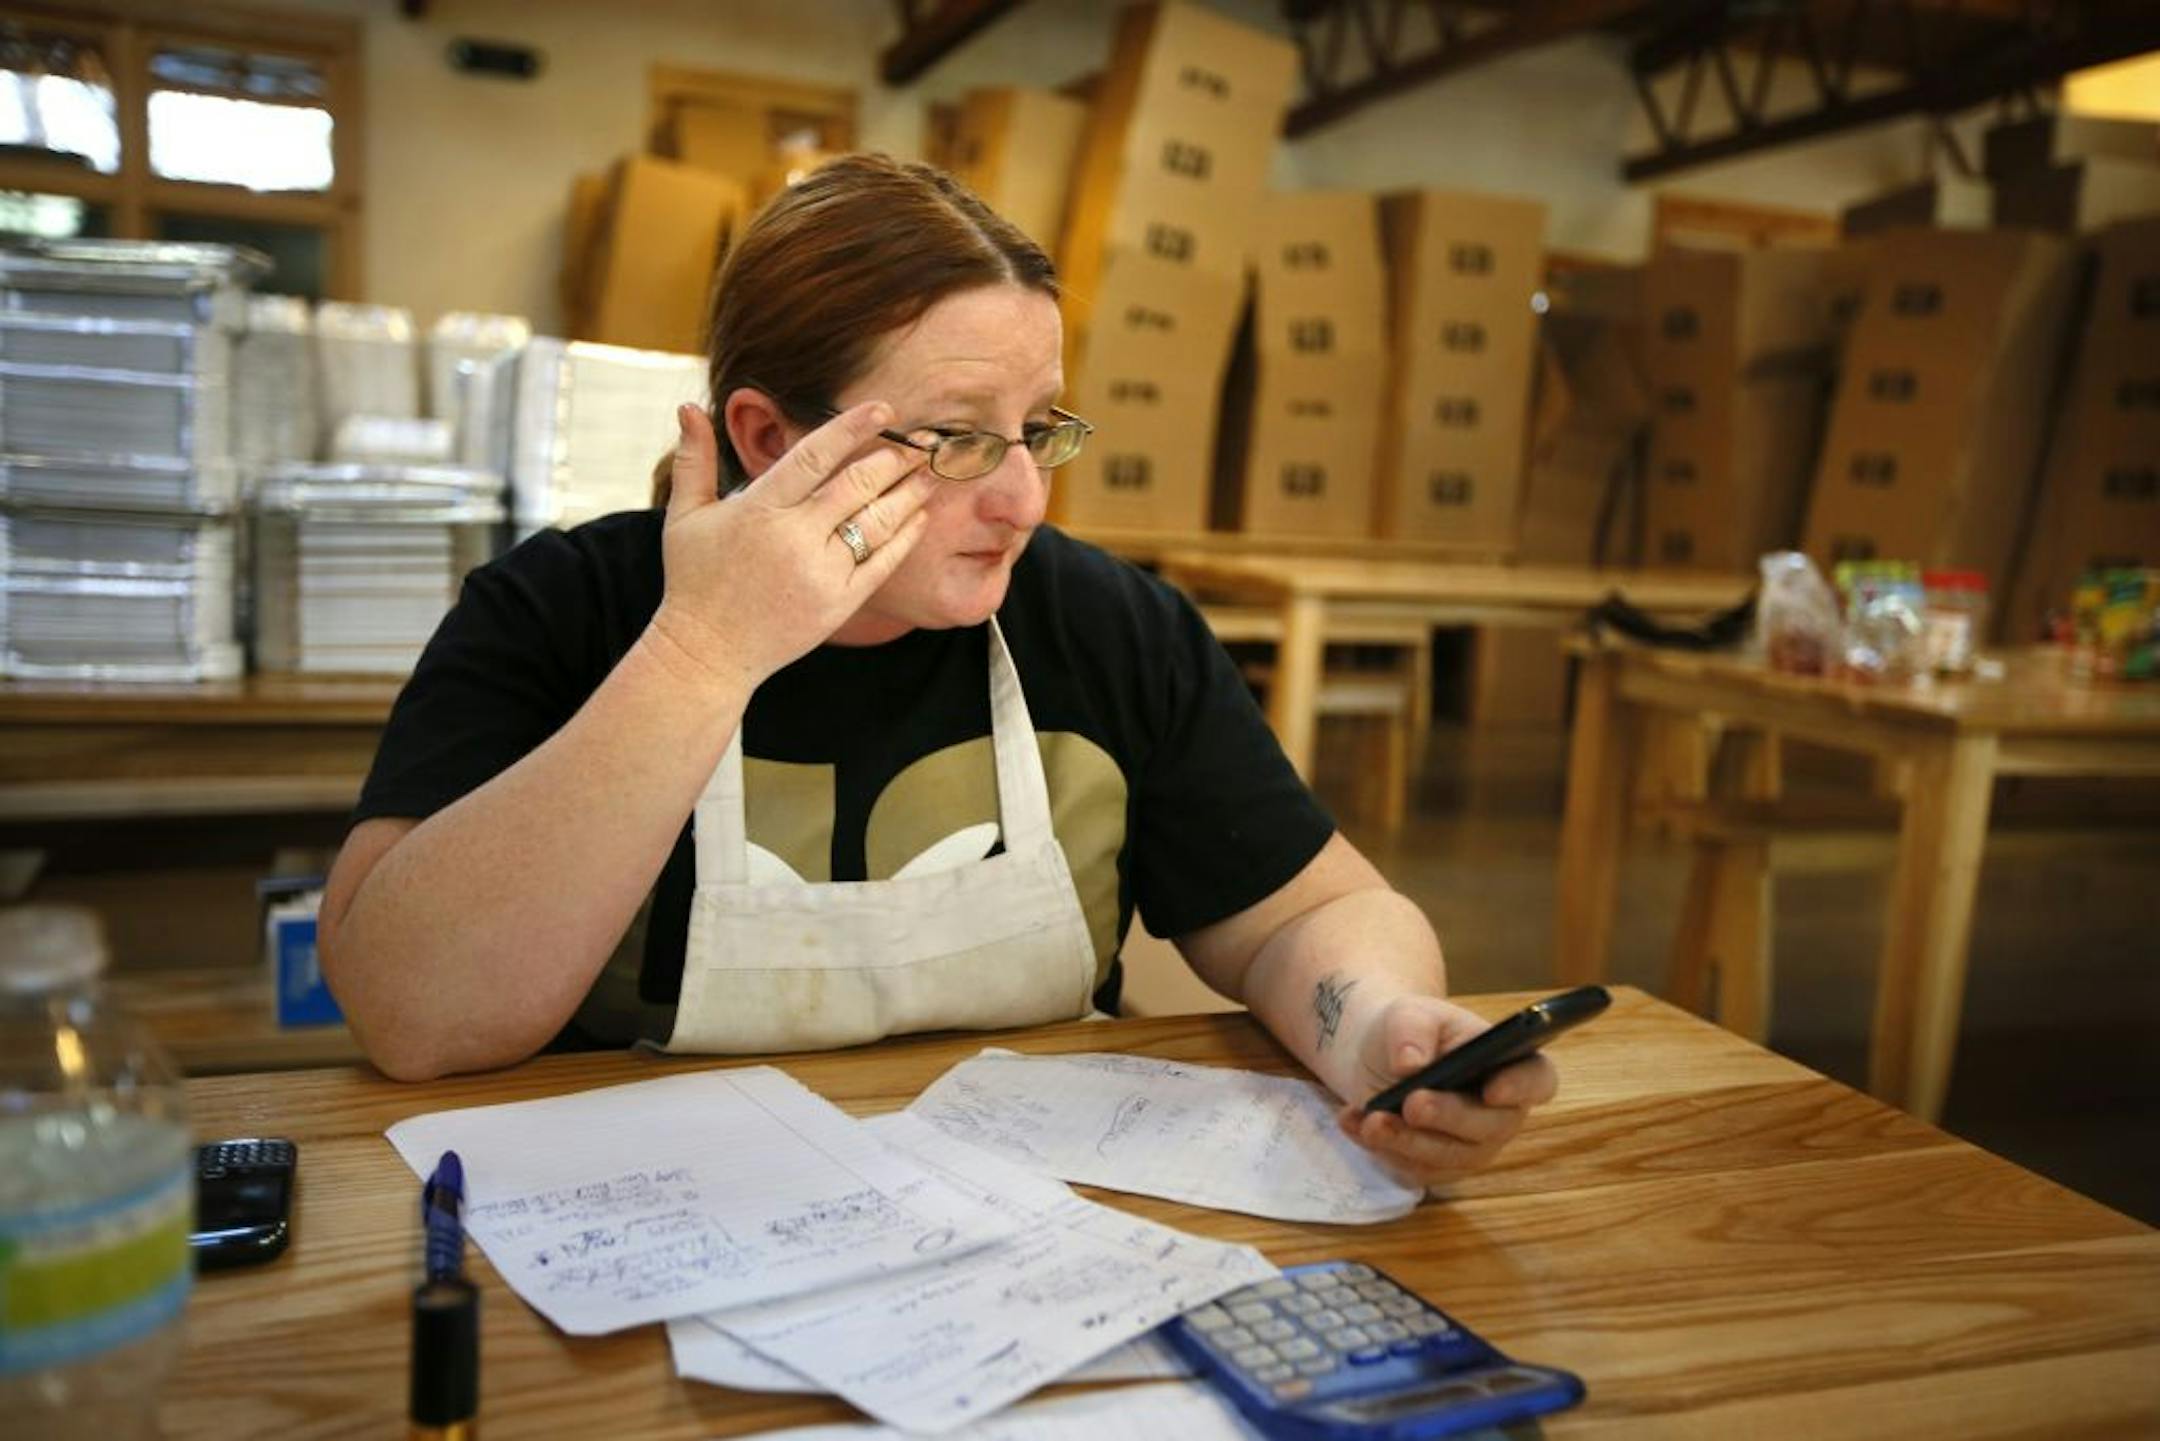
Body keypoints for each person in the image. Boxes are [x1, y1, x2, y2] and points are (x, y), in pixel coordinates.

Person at [319, 153, 1556, 1190]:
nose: (1021, 497)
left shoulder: (1103, 627)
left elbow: (1305, 913)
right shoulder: (561, 613)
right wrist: (704, 651)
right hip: (645, 1236)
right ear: (768, 436)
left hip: (1036, 1237)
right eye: (960, 437)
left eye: (1038, 429)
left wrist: (1382, 1028)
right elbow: (413, 1014)